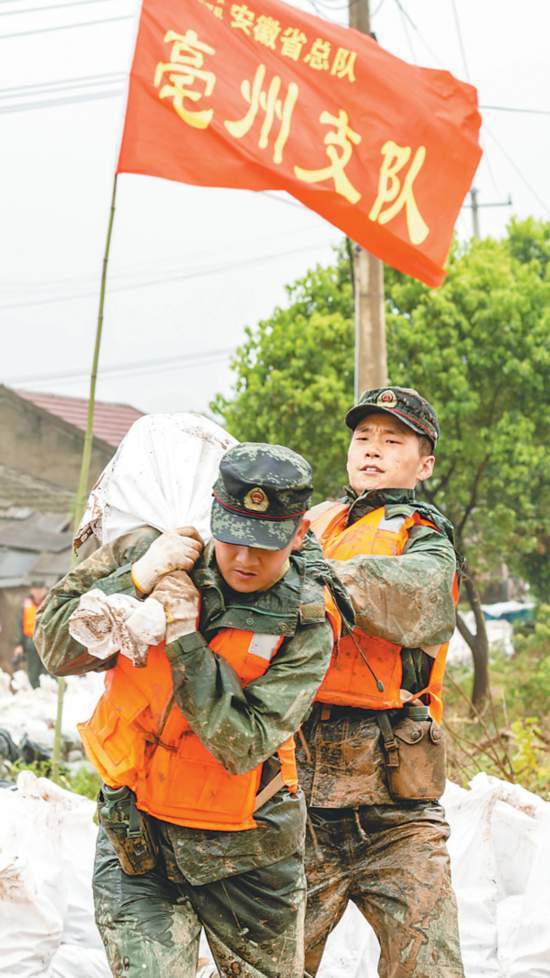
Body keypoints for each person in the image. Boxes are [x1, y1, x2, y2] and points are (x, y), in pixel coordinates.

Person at [35, 443, 343, 978]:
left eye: (266, 547)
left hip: (247, 856)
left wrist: (182, 634)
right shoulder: (152, 551)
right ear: (214, 514)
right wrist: (133, 581)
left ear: (298, 535)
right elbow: (57, 649)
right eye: (234, 539)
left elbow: (240, 743)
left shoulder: (307, 622)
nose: (244, 559)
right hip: (137, 834)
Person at [299, 387, 464, 978]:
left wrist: (327, 579)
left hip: (397, 805)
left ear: (424, 465)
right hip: (299, 798)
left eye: (392, 440)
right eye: (363, 438)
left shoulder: (426, 537)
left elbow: (423, 596)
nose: (372, 450)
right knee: (269, 964)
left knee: (430, 964)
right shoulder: (308, 522)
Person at [12, 581, 48, 688]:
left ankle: (51, 695)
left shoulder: (50, 602)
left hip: (46, 642)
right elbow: (20, 625)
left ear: (45, 590)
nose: (38, 592)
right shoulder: (25, 604)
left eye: (40, 589)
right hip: (30, 642)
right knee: (33, 672)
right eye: (36, 589)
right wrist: (19, 644)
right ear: (31, 590)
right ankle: (36, 693)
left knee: (49, 671)